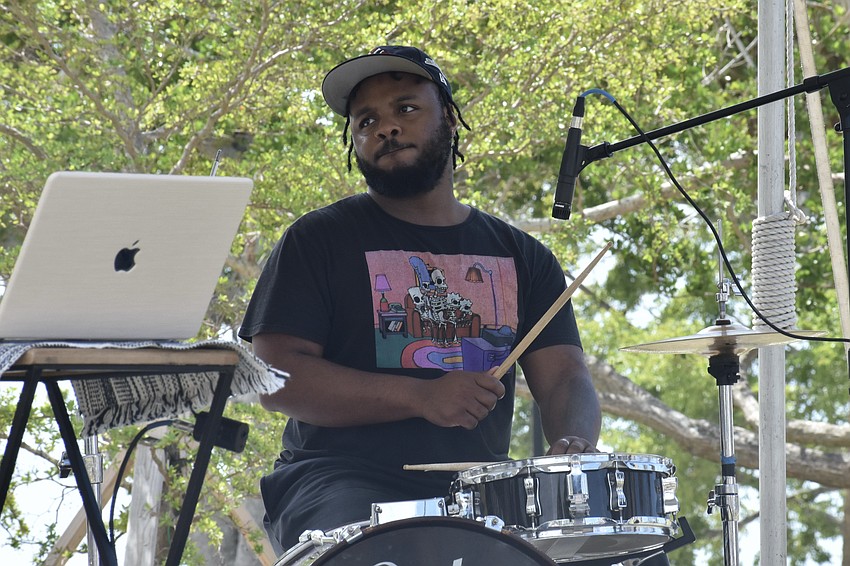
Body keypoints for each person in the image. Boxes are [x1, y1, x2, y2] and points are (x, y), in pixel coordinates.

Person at [238, 45, 602, 556]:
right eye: (366, 121)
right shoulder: (317, 239)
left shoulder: (525, 258)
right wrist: (421, 396)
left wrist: (575, 447)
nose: (385, 128)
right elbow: (272, 378)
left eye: (405, 108)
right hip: (337, 481)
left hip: (481, 495)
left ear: (449, 119)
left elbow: (565, 378)